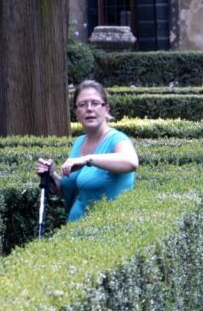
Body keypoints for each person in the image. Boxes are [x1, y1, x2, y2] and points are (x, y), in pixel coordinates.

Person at [35, 80, 138, 222]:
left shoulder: (117, 139)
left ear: (106, 109)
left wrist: (87, 160)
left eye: (95, 103)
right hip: (74, 232)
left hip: (105, 235)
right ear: (76, 112)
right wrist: (51, 175)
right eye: (82, 105)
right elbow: (67, 190)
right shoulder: (80, 142)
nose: (89, 109)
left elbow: (131, 162)